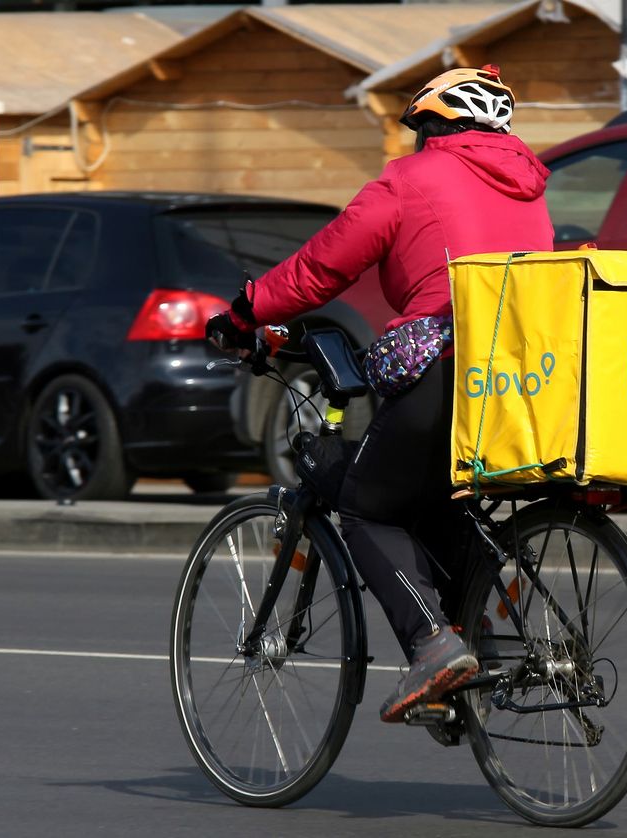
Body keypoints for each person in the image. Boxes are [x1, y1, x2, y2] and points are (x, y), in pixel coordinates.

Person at [207, 65, 554, 723]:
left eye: (421, 130)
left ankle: (432, 644)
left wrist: (245, 312)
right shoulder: (529, 186)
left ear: (435, 127)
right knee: (435, 499)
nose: (418, 143)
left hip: (446, 367)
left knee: (368, 507)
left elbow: (321, 268)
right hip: (517, 382)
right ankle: (485, 632)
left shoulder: (410, 179)